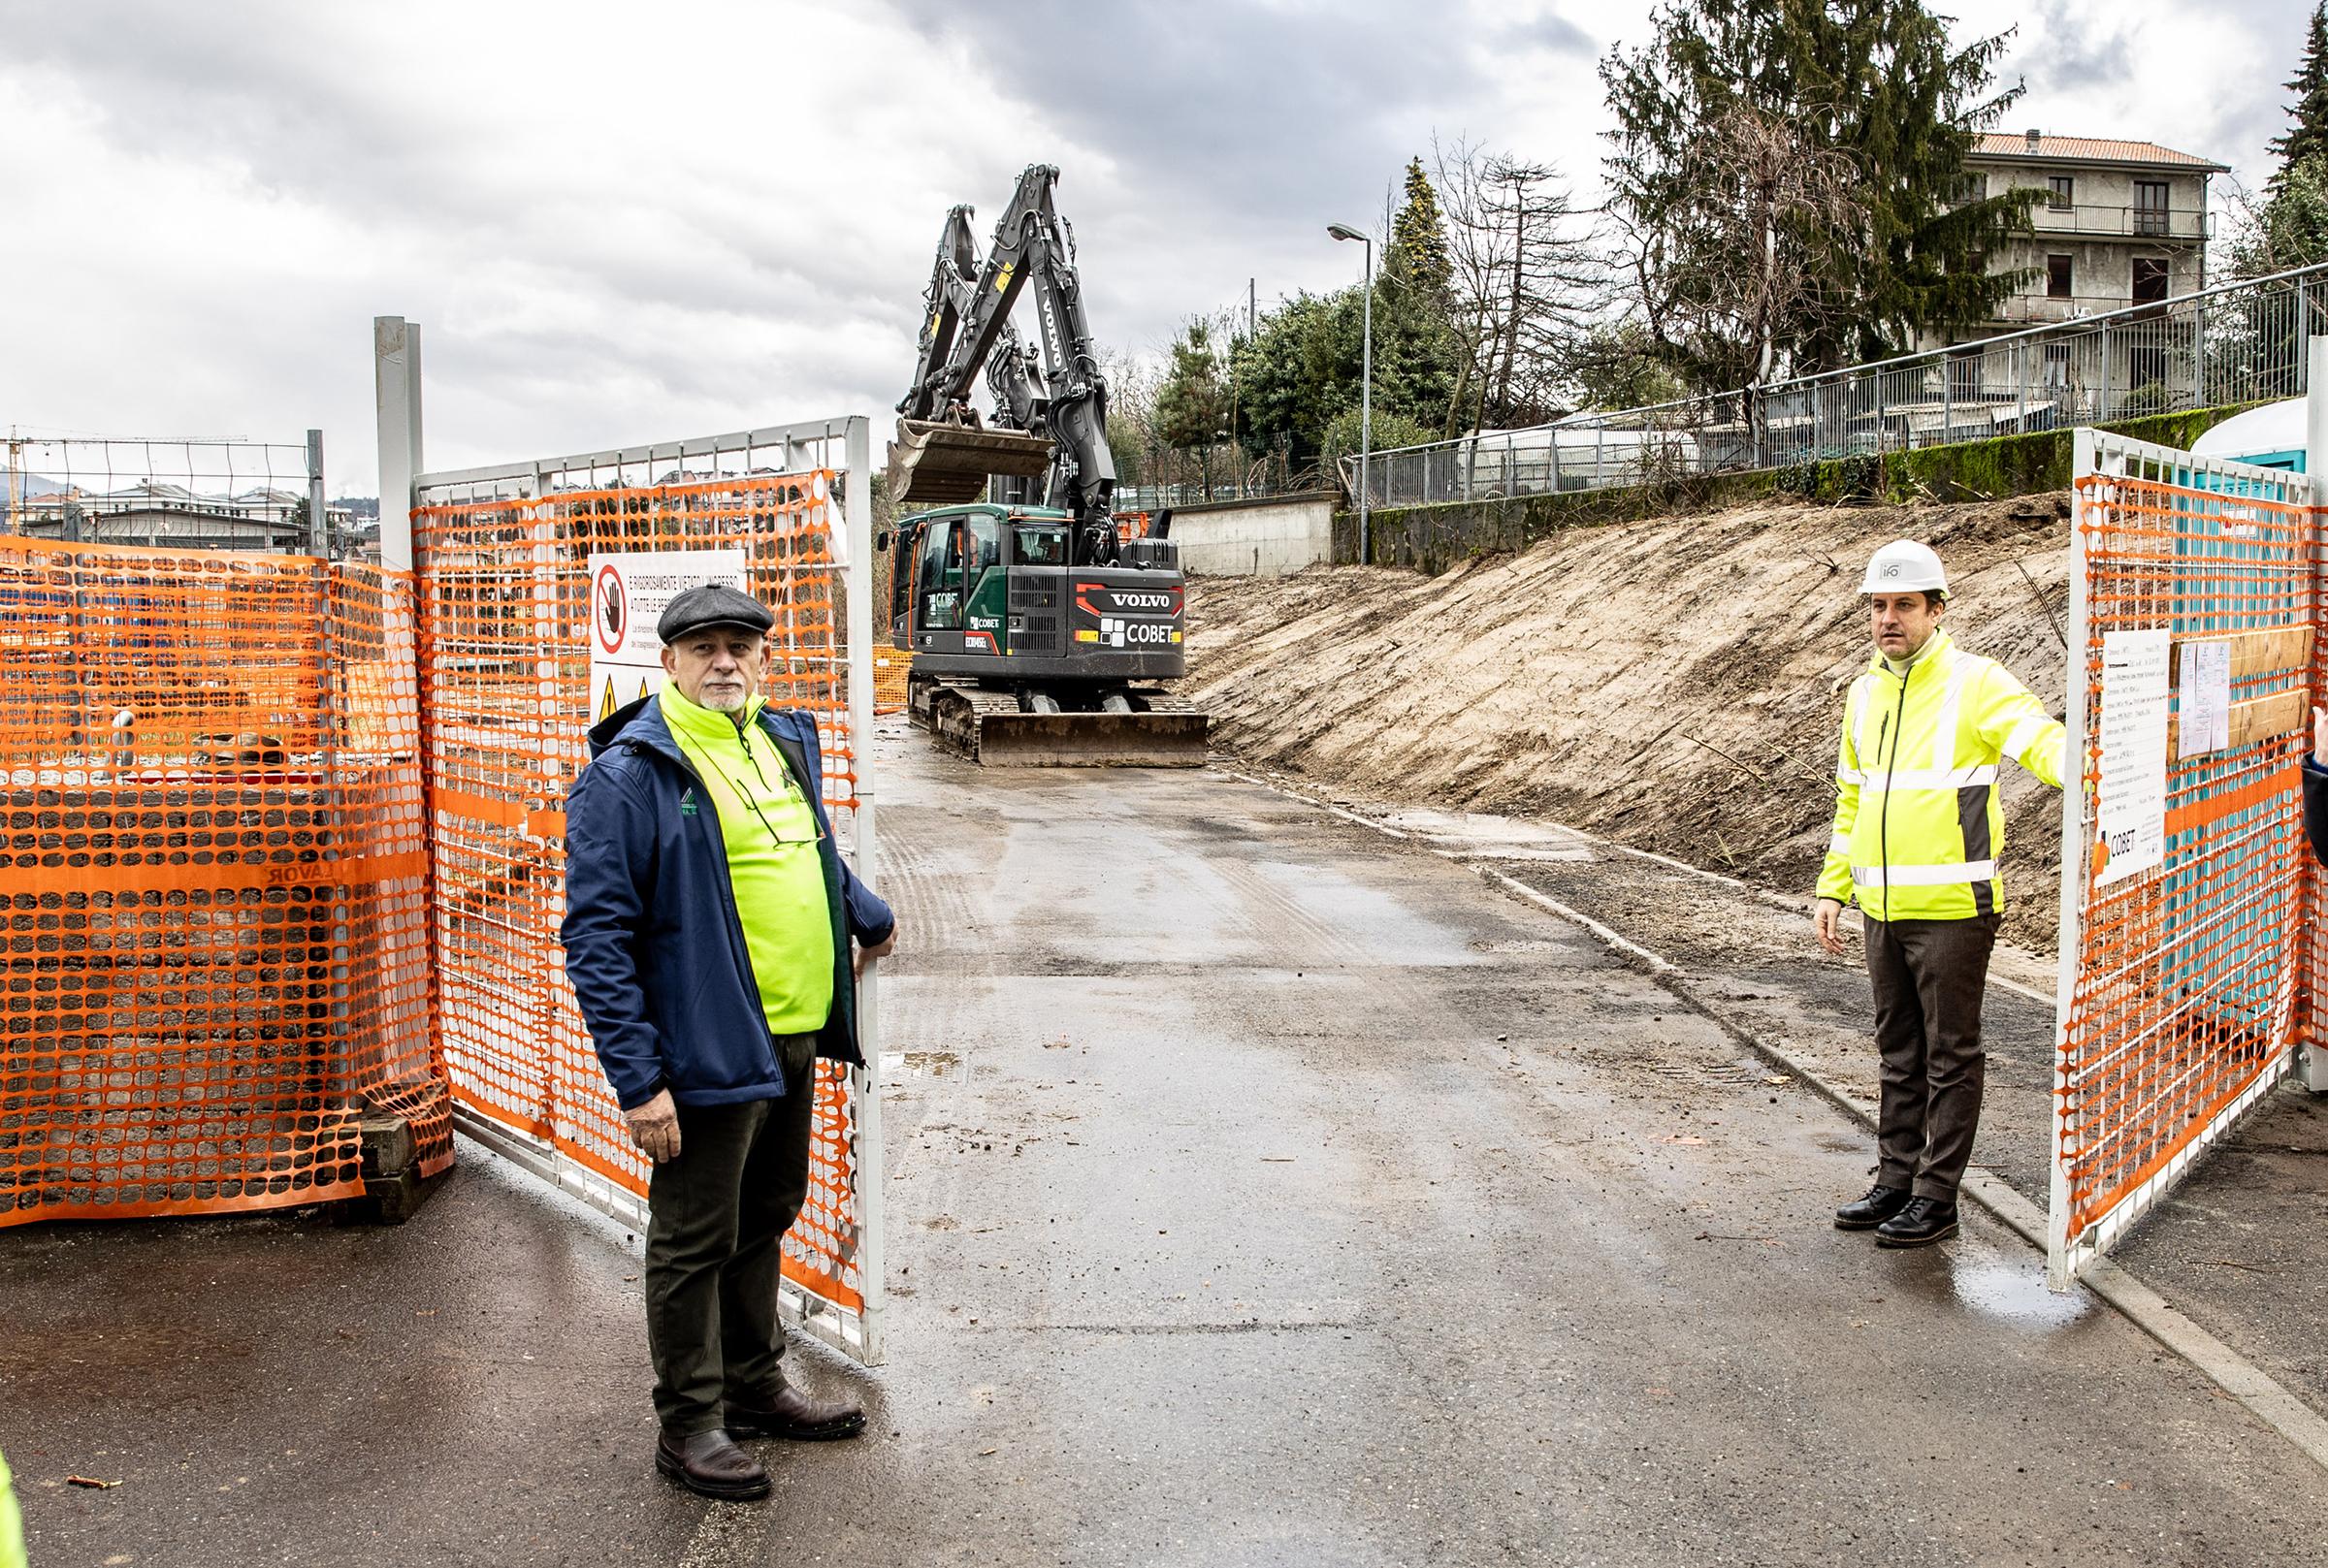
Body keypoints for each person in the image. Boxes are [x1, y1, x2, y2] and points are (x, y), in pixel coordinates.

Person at [563, 583, 897, 1501]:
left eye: (741, 646)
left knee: (768, 1210)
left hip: (791, 1035)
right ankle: (691, 1423)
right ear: (666, 661)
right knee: (693, 1235)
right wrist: (639, 1083)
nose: (725, 661)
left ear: (762, 658)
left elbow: (810, 849)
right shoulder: (632, 775)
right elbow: (595, 940)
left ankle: (754, 1384)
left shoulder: (776, 739)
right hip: (705, 1046)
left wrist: (867, 915)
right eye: (704, 646)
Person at [1811, 540, 2065, 1249]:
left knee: (1951, 1054)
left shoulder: (1975, 683)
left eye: (1904, 605)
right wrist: (1834, 889)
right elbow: (1850, 803)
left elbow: (2039, 741)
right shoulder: (1864, 695)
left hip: (1954, 909)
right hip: (1882, 908)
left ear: (1936, 610)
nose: (1888, 618)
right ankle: (1895, 1177)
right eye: (1879, 605)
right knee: (1898, 1049)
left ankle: (1936, 1196)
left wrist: (2098, 767)